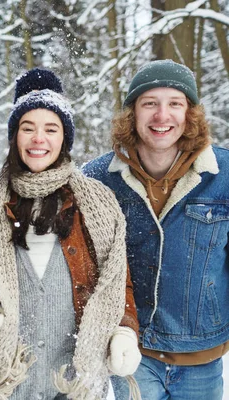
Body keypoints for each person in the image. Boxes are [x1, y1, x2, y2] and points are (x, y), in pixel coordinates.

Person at [0, 68, 141, 400]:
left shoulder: (96, 209)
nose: (39, 139)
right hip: (6, 384)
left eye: (51, 128)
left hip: (75, 383)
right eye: (27, 128)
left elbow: (118, 284)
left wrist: (124, 331)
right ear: (14, 137)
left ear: (64, 138)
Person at [83, 59, 228, 399]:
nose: (162, 116)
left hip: (201, 356)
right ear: (132, 113)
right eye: (150, 104)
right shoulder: (99, 179)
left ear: (189, 113)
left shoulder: (223, 175)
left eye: (174, 104)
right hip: (132, 354)